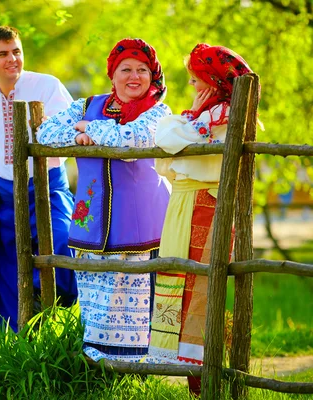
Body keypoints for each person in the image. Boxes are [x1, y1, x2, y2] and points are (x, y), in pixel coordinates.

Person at [38, 38, 170, 362]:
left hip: (141, 226)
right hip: (90, 222)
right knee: (98, 305)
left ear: (153, 76)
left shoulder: (158, 112)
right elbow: (44, 133)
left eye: (142, 69)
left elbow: (131, 141)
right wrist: (78, 133)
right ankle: (96, 368)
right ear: (112, 74)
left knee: (139, 303)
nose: (134, 76)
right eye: (126, 69)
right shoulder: (86, 105)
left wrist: (90, 129)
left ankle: (138, 370)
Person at [148, 43, 254, 396]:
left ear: (212, 81)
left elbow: (164, 140)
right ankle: (196, 381)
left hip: (204, 206)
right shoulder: (204, 119)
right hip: (183, 203)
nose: (191, 87)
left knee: (200, 292)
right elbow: (164, 152)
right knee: (182, 287)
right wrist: (190, 118)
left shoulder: (221, 120)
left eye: (196, 80)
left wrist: (189, 121)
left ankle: (203, 384)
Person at [0, 26, 78, 336]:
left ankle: (54, 313)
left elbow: (68, 126)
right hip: (4, 189)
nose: (12, 59)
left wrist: (53, 159)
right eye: (2, 54)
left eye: (16, 51)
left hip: (48, 183)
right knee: (8, 261)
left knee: (64, 242)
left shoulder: (46, 86)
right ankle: (18, 333)